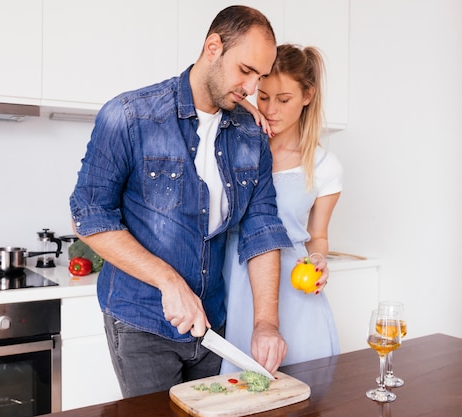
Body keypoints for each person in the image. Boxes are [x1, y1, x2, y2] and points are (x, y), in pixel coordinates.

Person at [69, 5, 293, 398]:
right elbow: (88, 217)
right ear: (212, 47)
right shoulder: (128, 115)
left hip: (211, 325)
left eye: (260, 76)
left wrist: (266, 323)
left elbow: (262, 227)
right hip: (141, 322)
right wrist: (168, 280)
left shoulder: (250, 135)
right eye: (245, 71)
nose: (252, 88)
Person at [221, 44, 343, 373]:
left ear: (308, 96)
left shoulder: (323, 165)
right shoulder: (234, 146)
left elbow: (317, 236)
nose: (271, 109)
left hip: (294, 292)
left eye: (284, 99)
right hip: (234, 282)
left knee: (303, 395)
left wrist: (318, 260)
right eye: (264, 97)